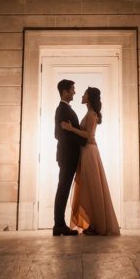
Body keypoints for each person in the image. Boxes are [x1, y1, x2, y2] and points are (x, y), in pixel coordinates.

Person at [61, 86, 121, 236]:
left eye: (84, 94)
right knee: (88, 188)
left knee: (91, 187)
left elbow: (88, 135)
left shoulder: (91, 114)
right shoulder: (90, 113)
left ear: (89, 98)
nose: (81, 95)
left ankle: (96, 224)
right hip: (87, 152)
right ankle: (93, 223)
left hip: (89, 152)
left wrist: (70, 128)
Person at [53, 78, 86, 236]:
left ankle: (59, 224)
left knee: (63, 188)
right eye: (72, 89)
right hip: (67, 156)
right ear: (65, 91)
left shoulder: (64, 109)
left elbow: (60, 134)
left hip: (67, 155)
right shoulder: (63, 110)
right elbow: (61, 134)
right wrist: (84, 139)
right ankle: (59, 225)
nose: (74, 92)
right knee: (63, 189)